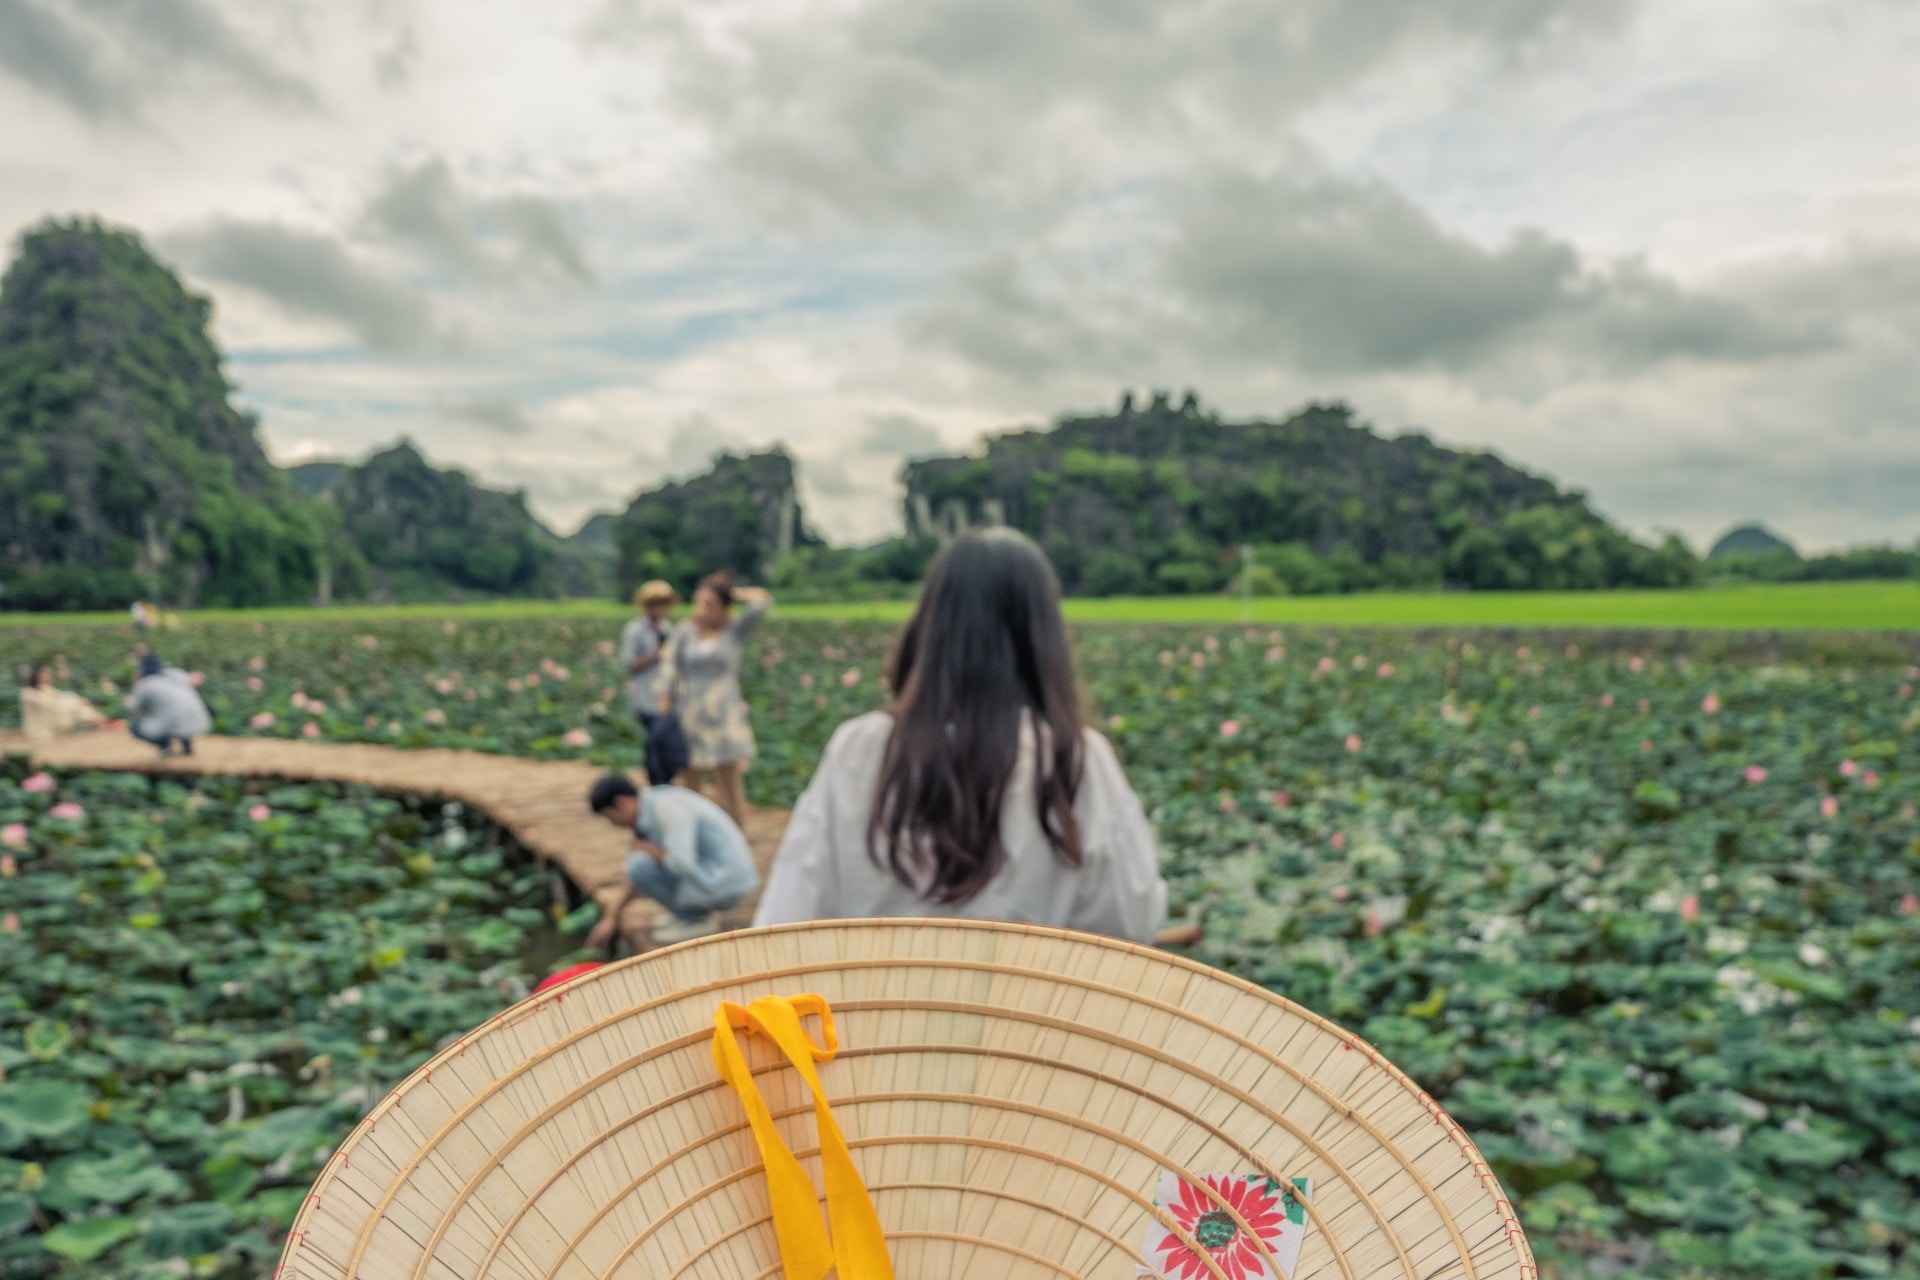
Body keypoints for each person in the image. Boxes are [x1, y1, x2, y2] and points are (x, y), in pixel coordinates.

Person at [753, 528, 1167, 943]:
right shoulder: (1075, 758)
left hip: (875, 1005)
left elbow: (792, 912)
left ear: (930, 623)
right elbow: (1131, 922)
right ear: (1043, 637)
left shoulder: (859, 748)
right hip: (1032, 1006)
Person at [586, 772, 761, 945]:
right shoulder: (654, 803)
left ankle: (696, 918)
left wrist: (650, 851)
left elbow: (681, 863)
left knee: (639, 864)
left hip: (725, 883)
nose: (614, 824)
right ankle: (690, 914)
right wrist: (611, 916)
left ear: (621, 804)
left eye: (611, 818)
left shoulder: (666, 809)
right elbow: (635, 880)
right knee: (640, 862)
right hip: (717, 876)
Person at [657, 570, 771, 827]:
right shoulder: (687, 630)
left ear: (724, 607)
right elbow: (670, 665)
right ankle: (694, 833)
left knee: (728, 778)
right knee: (692, 775)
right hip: (691, 707)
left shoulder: (734, 630)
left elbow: (761, 603)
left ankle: (737, 832)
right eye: (699, 603)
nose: (702, 610)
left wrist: (733, 593)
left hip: (724, 709)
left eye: (710, 604)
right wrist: (665, 699)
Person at [619, 580, 688, 785]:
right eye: (654, 603)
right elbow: (629, 664)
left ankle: (667, 782)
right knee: (654, 743)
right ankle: (657, 785)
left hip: (668, 696)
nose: (658, 608)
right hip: (646, 696)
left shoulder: (669, 628)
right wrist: (657, 655)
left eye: (662, 603)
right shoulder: (635, 630)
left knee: (666, 743)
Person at [126, 653, 212, 757]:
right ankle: (187, 748)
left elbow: (135, 708)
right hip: (199, 721)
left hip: (172, 725)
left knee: (135, 727)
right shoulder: (175, 673)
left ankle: (165, 748)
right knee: (179, 712)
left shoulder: (145, 684)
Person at [19, 661, 104, 741]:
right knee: (76, 708)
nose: (48, 676)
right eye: (45, 673)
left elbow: (65, 696)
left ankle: (98, 722)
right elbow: (51, 705)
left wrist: (80, 701)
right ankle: (99, 722)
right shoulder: (28, 693)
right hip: (40, 731)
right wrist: (75, 704)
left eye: (49, 673)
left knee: (77, 703)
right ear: (36, 675)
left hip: (53, 725)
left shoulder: (47, 689)